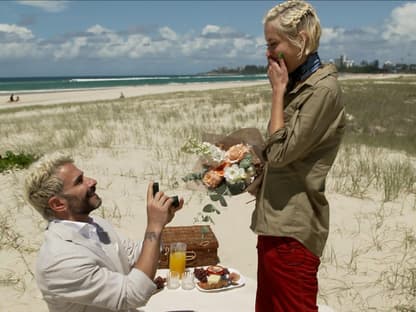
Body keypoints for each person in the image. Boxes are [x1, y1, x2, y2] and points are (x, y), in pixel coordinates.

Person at [250, 1, 345, 311]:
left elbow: (279, 152)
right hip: (274, 224)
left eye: (273, 43)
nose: (268, 52)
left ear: (300, 40)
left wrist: (277, 92)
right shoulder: (299, 85)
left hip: (295, 230)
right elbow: (280, 154)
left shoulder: (322, 91)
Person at [24, 152, 184, 312]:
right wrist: (154, 226)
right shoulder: (58, 261)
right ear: (58, 204)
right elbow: (133, 295)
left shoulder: (94, 224)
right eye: (79, 181)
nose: (92, 181)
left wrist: (160, 224)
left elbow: (133, 255)